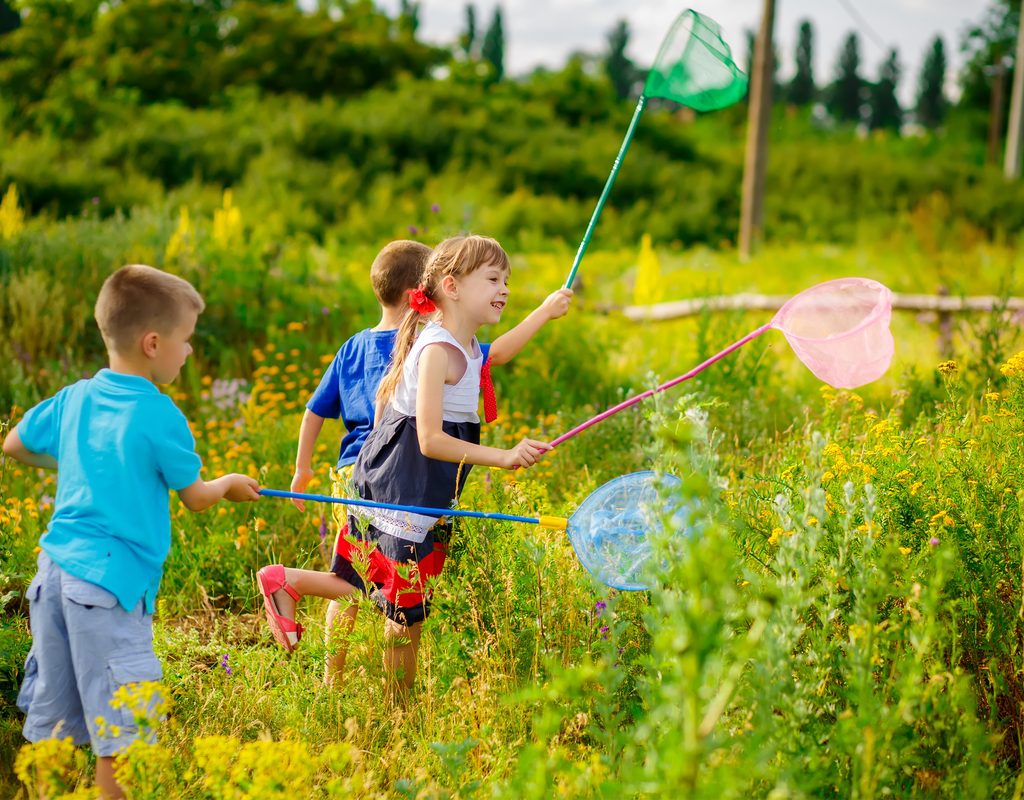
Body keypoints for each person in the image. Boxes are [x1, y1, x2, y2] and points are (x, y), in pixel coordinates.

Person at [258, 234, 573, 695]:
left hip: (402, 485)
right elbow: (427, 439)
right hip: (403, 489)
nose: (504, 288)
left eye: (507, 279)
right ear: (452, 286)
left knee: (370, 592)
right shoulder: (437, 350)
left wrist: (545, 311)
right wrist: (502, 457)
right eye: (492, 278)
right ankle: (399, 712)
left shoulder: (460, 344)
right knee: (405, 613)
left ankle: (288, 584)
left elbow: (484, 362)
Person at [3, 264, 260, 800]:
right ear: (152, 343)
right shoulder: (159, 414)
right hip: (109, 589)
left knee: (51, 725)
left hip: (51, 578)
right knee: (121, 735)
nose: (188, 353)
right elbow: (195, 497)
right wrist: (230, 483)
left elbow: (16, 446)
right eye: (185, 342)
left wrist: (82, 460)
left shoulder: (74, 398)